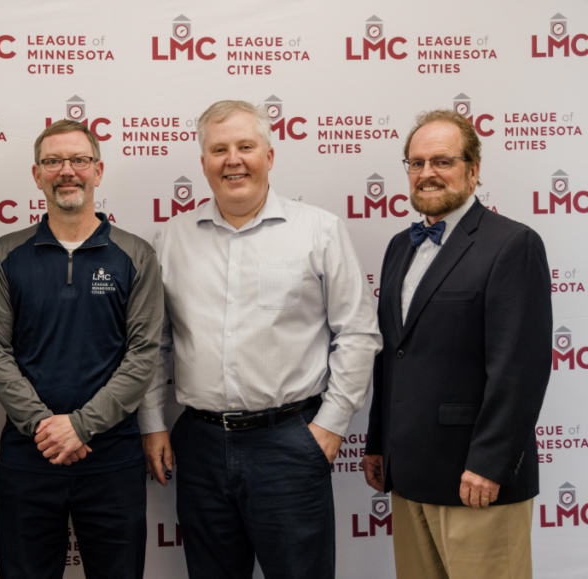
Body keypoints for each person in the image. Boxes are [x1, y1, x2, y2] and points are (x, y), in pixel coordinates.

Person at [139, 100, 381, 579]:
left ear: (269, 155)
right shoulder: (171, 239)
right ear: (203, 162)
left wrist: (329, 427)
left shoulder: (320, 231)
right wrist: (152, 421)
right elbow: (156, 342)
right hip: (201, 446)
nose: (234, 160)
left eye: (246, 146)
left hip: (290, 444)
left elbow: (356, 333)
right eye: (219, 149)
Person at [361, 110, 551, 579]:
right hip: (408, 476)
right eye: (416, 162)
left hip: (476, 479)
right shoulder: (397, 247)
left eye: (443, 161)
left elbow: (519, 369)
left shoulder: (513, 244)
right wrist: (378, 443)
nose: (427, 173)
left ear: (473, 168)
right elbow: (393, 356)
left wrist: (490, 464)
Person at [0, 119, 163, 579]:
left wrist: (81, 426)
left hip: (112, 456)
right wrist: (45, 426)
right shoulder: (6, 253)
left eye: (79, 160)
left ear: (98, 171)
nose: (67, 171)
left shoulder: (135, 255)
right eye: (53, 161)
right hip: (29, 454)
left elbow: (143, 355)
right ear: (37, 174)